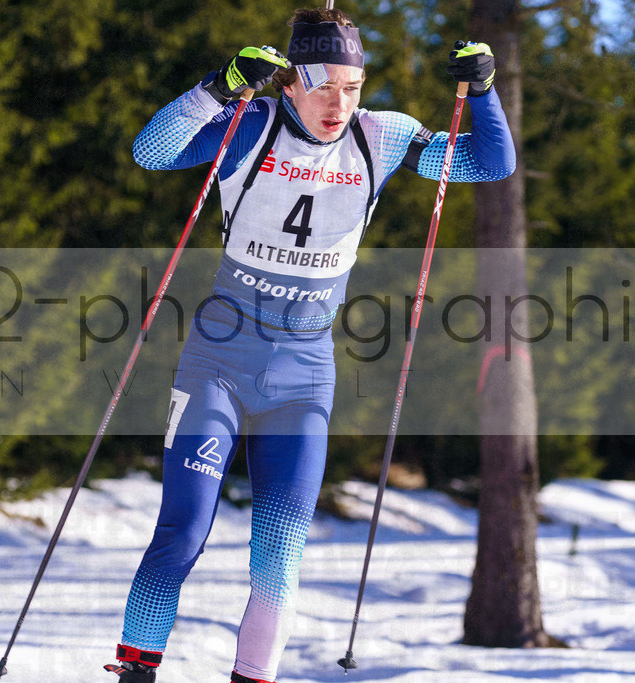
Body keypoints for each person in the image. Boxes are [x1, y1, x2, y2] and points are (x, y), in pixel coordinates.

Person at [106, 7, 515, 683]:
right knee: (183, 531)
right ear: (290, 82)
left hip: (303, 375)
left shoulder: (382, 136)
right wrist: (219, 88)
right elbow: (151, 151)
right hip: (219, 363)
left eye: (351, 87)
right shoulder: (254, 124)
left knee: (279, 556)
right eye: (323, 86)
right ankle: (135, 670)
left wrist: (484, 89)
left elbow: (489, 163)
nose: (338, 103)